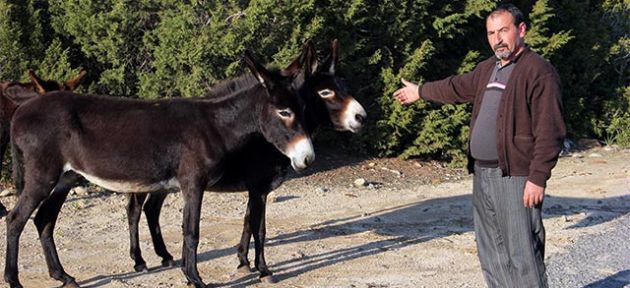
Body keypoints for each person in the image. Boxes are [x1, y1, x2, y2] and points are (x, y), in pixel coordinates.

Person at [393, 4, 565, 288]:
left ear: (521, 30)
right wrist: (420, 92)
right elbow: (455, 87)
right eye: (491, 33)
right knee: (491, 249)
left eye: (503, 31)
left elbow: (551, 130)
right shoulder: (488, 69)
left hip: (516, 176)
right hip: (482, 173)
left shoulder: (539, 72)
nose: (497, 39)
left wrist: (538, 177)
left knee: (522, 250)